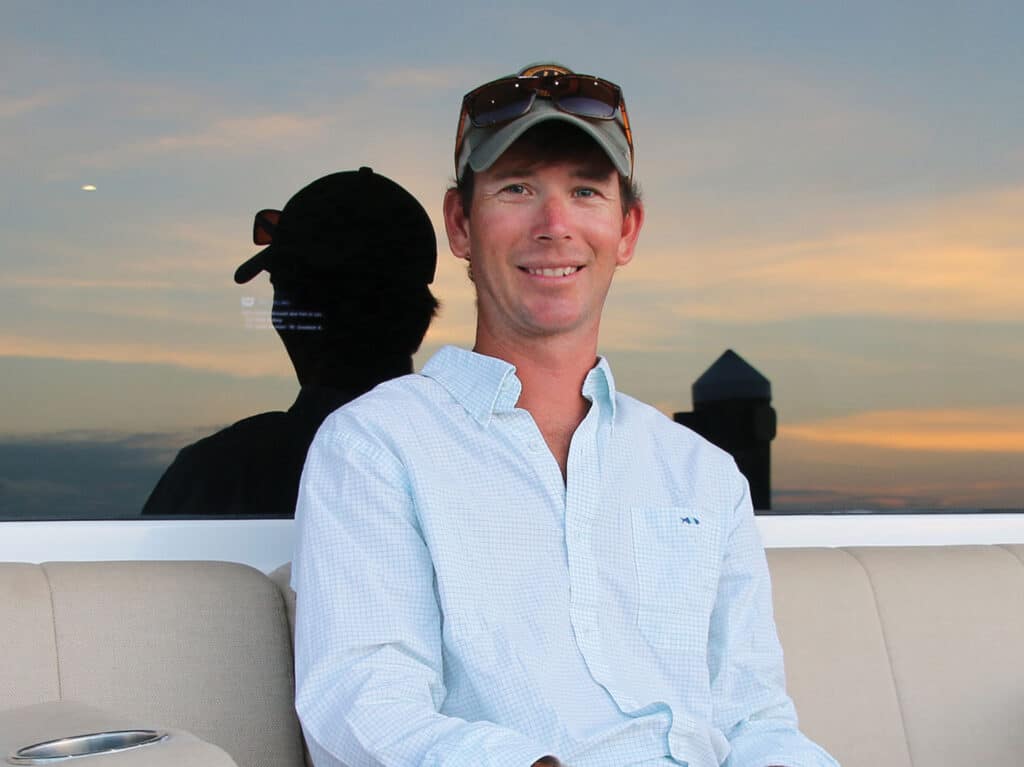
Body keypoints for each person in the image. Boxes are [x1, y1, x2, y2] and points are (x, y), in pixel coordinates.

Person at [292, 64, 838, 767]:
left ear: (627, 228)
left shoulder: (701, 474)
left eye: (585, 191)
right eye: (517, 188)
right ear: (460, 223)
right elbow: (363, 702)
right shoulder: (377, 446)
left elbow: (755, 718)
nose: (555, 226)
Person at [142, 167, 439, 517]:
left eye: (281, 291)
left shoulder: (223, 473)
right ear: (419, 321)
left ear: (297, 317)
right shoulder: (465, 466)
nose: (277, 314)